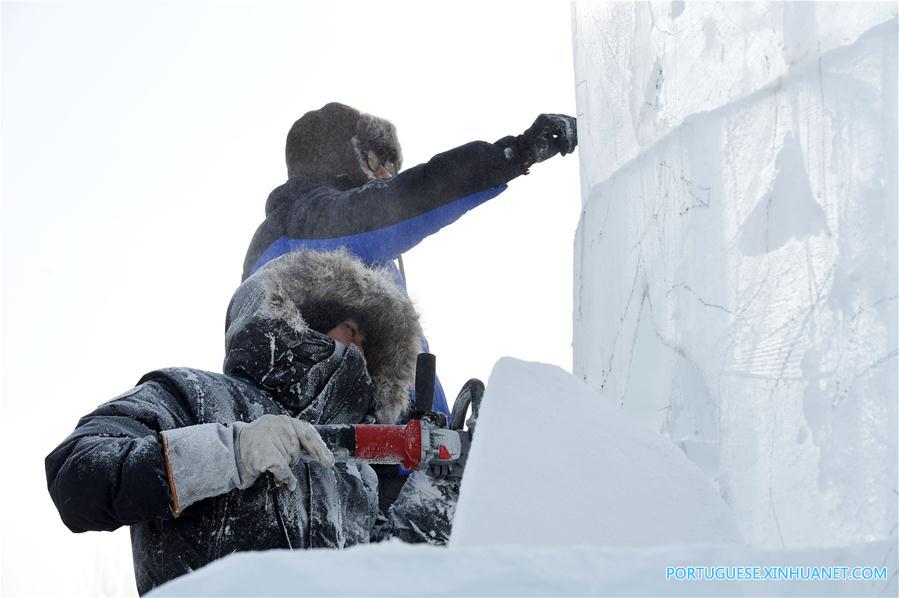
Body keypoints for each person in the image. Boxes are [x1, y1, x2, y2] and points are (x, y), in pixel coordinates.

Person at [45, 249, 449, 595]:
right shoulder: (196, 396)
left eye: (369, 348)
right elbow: (76, 475)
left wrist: (437, 495)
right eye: (354, 330)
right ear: (305, 315)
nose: (360, 351)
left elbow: (384, 583)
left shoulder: (357, 476)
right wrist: (231, 452)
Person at [241, 103, 578, 420]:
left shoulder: (353, 263)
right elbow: (408, 197)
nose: (386, 174)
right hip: (335, 443)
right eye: (373, 160)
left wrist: (440, 431)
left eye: (391, 167)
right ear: (338, 156)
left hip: (378, 445)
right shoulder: (307, 220)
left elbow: (406, 378)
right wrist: (515, 153)